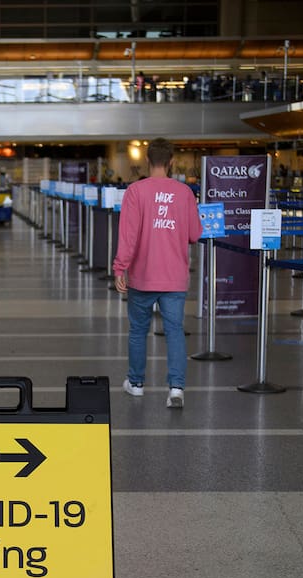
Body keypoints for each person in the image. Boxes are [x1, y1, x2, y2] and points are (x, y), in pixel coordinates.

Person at [112, 138, 202, 409]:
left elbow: (128, 236)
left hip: (143, 275)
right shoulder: (184, 192)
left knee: (139, 330)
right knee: (174, 331)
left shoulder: (135, 191)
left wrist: (120, 267)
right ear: (172, 161)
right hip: (174, 276)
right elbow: (195, 234)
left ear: (148, 160)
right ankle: (176, 388)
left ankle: (136, 384)